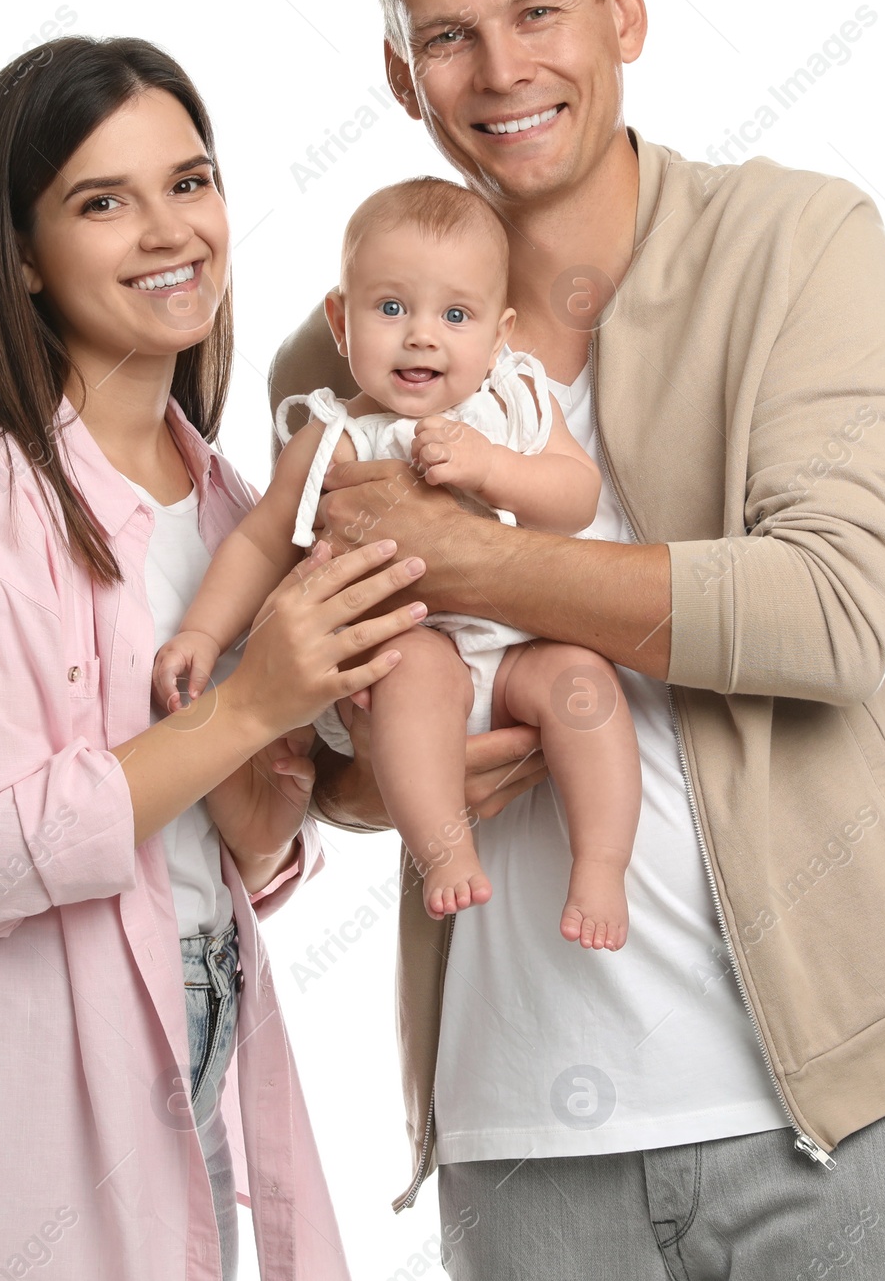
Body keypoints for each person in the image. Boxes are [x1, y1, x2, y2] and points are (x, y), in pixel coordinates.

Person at [270, 0, 885, 1278]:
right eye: (448, 36)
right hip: (520, 1137)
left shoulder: (793, 243)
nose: (499, 70)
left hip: (842, 1115)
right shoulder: (344, 359)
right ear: (400, 76)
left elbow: (837, 609)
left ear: (623, 15)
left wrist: (478, 564)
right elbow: (332, 726)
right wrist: (368, 779)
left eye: (538, 13)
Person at [0, 35, 432, 1281]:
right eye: (104, 201)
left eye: (189, 183)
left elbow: (235, 843)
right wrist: (247, 703)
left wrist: (316, 745)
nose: (169, 230)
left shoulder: (227, 503)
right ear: (22, 258)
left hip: (188, 1047)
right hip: (8, 1116)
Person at [154, 175, 639, 947]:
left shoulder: (513, 404)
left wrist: (490, 470)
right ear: (341, 324)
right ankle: (443, 848)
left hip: (514, 654)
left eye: (455, 314)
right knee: (415, 667)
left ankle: (602, 866)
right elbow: (259, 538)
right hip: (408, 655)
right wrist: (205, 636)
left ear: (500, 332)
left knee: (584, 679)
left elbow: (574, 496)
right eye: (391, 308)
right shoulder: (333, 434)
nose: (422, 335)